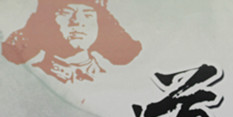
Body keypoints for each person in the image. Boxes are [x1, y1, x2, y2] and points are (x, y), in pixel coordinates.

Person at [2, 0, 141, 84]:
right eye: (66, 13)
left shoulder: (115, 79)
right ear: (48, 21)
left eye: (88, 15)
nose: (77, 22)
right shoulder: (29, 78)